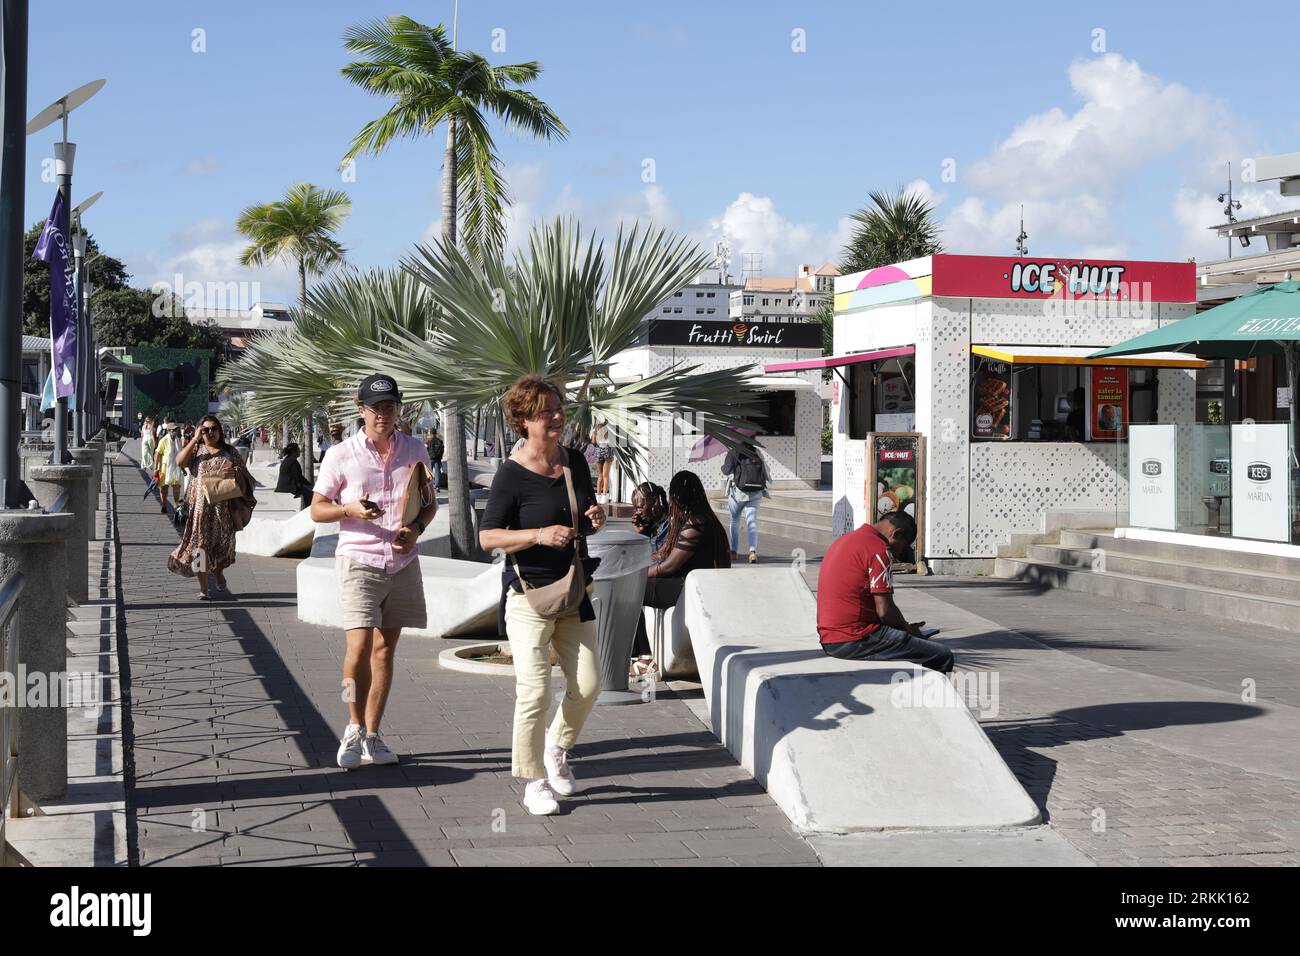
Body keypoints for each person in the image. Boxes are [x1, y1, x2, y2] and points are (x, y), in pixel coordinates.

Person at [479, 374, 607, 816]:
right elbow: (487, 538)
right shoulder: (511, 476)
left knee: (589, 684)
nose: (556, 417)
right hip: (528, 594)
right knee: (534, 691)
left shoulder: (574, 461)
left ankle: (557, 747)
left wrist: (595, 516)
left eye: (558, 408)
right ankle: (533, 780)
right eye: (545, 412)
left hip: (572, 590)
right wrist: (537, 535)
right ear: (524, 421)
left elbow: (586, 516)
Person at [310, 373, 438, 771]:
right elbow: (317, 508)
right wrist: (348, 509)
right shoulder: (341, 454)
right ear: (360, 410)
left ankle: (372, 734)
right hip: (358, 560)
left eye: (390, 406)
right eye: (376, 407)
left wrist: (415, 530)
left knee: (386, 651)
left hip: (401, 562)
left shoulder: (416, 449)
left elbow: (429, 502)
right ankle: (351, 727)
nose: (384, 414)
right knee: (358, 648)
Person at [816, 511, 953, 673]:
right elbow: (885, 611)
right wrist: (908, 630)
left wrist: (904, 628)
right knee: (942, 656)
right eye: (903, 547)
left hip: (829, 637)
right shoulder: (879, 550)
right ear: (896, 533)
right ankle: (927, 698)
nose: (898, 554)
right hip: (854, 639)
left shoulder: (845, 539)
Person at [167, 415, 256, 601]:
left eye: (214, 428)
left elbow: (247, 478)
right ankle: (204, 588)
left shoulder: (229, 451)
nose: (210, 432)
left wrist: (234, 471)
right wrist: (194, 439)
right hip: (199, 510)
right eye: (205, 429)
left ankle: (218, 572)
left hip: (223, 509)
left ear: (220, 430)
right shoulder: (197, 450)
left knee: (223, 547)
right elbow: (180, 462)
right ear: (200, 430)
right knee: (200, 548)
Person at [644, 470, 731, 610]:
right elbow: (664, 552)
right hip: (698, 584)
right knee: (631, 587)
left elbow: (669, 566)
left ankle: (638, 633)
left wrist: (640, 574)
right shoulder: (701, 518)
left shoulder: (696, 523)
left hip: (696, 589)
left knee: (632, 590)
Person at [721, 443, 768, 564]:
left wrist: (726, 461)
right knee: (751, 521)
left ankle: (734, 551)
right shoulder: (756, 451)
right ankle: (752, 552)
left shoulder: (733, 452)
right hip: (756, 492)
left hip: (738, 494)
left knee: (734, 521)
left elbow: (726, 470)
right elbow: (765, 470)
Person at [630, 481, 669, 552]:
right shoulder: (649, 524)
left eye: (640, 507)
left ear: (655, 501)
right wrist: (641, 534)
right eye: (635, 508)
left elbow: (659, 556)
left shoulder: (670, 525)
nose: (637, 512)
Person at [154, 421, 184, 515]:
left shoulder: (178, 440)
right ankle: (164, 505)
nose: (175, 431)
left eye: (176, 430)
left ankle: (176, 503)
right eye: (173, 430)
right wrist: (155, 468)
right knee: (164, 487)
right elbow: (157, 454)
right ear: (168, 431)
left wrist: (183, 467)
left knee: (177, 486)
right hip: (165, 467)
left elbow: (181, 454)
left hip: (176, 467)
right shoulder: (164, 440)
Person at [275, 442, 315, 511]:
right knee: (312, 494)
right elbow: (298, 478)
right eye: (298, 450)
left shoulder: (288, 460)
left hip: (284, 487)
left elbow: (299, 477)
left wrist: (309, 484)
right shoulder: (293, 462)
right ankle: (308, 511)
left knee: (310, 489)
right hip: (289, 488)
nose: (299, 451)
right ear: (293, 452)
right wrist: (304, 488)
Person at [590, 419, 612, 503]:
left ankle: (598, 496)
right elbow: (610, 442)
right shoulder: (607, 429)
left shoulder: (595, 430)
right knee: (605, 476)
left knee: (600, 475)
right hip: (607, 450)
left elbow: (593, 442)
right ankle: (604, 497)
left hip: (598, 451)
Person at [425, 425, 445, 491]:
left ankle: (429, 485)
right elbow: (442, 450)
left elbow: (425, 450)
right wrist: (440, 457)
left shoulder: (428, 441)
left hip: (430, 459)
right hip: (437, 459)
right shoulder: (440, 441)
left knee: (428, 472)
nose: (428, 434)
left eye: (429, 433)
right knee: (437, 472)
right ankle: (437, 486)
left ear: (431, 433)